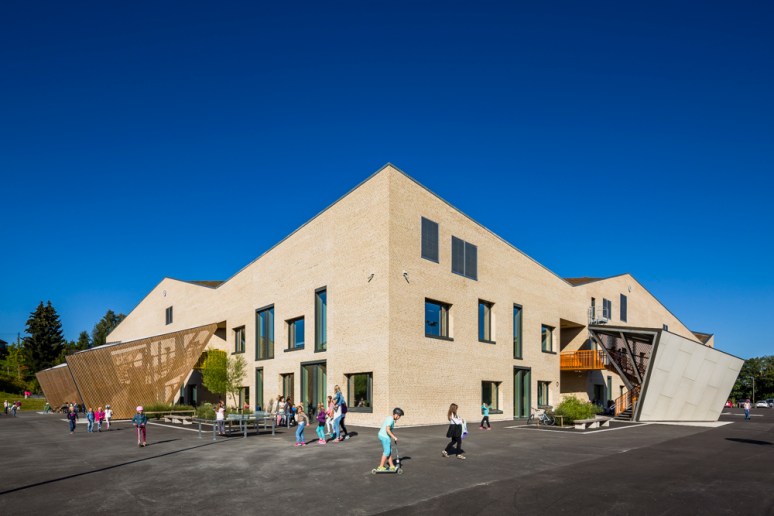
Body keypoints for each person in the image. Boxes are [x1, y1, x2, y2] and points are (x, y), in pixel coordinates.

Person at [376, 408, 404, 472]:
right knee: (387, 452)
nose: (399, 417)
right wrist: (394, 437)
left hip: (384, 436)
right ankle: (380, 466)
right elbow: (387, 429)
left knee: (389, 451)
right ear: (396, 415)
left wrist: (393, 436)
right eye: (399, 416)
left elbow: (389, 430)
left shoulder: (390, 418)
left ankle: (391, 466)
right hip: (384, 436)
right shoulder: (390, 420)